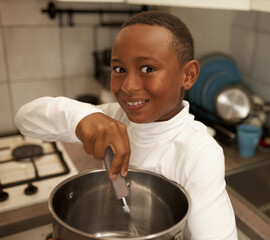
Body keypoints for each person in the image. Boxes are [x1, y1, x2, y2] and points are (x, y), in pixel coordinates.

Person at [15, 10, 238, 240]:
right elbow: (25, 120)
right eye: (119, 69)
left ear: (188, 75)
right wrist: (79, 117)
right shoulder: (114, 117)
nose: (128, 86)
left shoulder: (199, 153)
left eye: (148, 69)